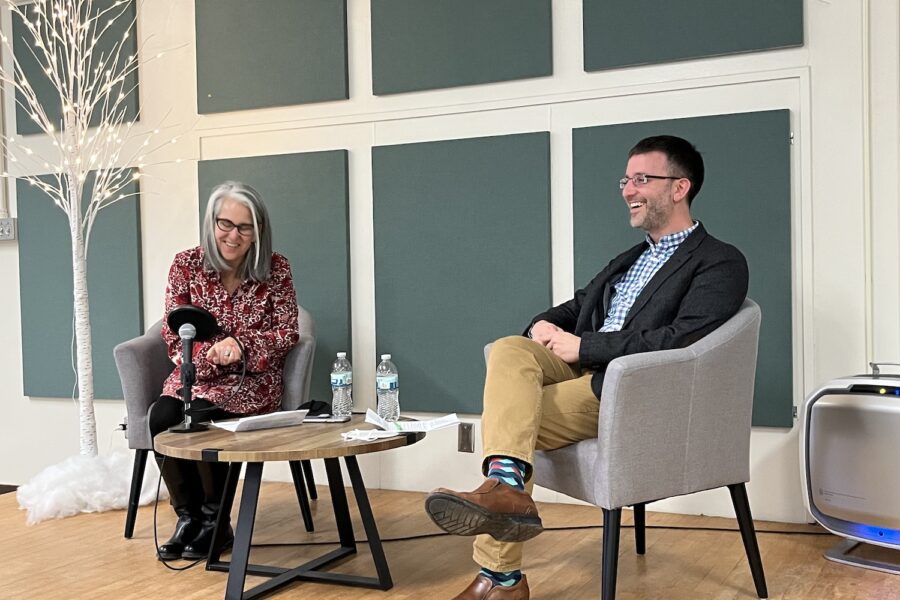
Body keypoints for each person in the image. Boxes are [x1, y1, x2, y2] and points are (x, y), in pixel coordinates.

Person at [425, 135, 749, 599]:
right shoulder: (631, 259)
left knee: (512, 424)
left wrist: (587, 348)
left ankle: (501, 578)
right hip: (584, 373)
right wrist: (543, 325)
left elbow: (680, 339)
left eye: (642, 179)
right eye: (625, 179)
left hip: (630, 391)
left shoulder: (719, 261)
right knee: (509, 349)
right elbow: (579, 305)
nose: (627, 189)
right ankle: (507, 489)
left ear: (680, 187)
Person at [149, 181, 300, 561]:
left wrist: (242, 348)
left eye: (244, 227)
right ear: (211, 223)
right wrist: (212, 355)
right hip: (195, 376)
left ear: (258, 231)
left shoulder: (277, 269)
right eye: (225, 224)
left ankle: (217, 522)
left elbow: (287, 331)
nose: (233, 235)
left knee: (202, 417)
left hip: (252, 382)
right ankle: (188, 518)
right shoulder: (185, 265)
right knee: (163, 415)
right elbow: (172, 333)